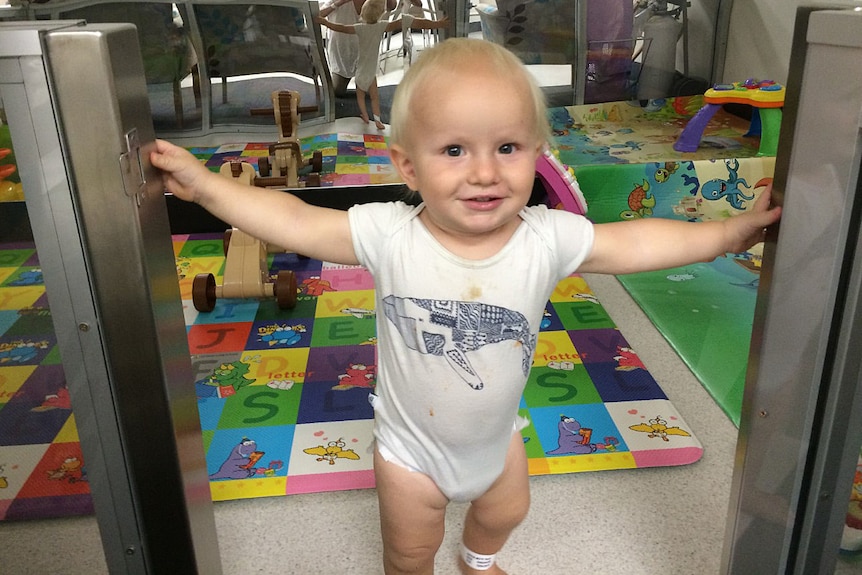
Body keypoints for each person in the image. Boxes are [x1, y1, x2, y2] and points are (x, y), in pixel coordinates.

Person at [151, 38, 781, 575]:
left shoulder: (546, 236)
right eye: (454, 151)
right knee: (408, 549)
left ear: (537, 155)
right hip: (411, 453)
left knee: (507, 512)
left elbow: (637, 239)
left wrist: (726, 235)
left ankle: (477, 562)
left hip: (497, 438)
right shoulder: (388, 232)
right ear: (408, 167)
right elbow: (293, 219)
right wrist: (207, 186)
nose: (484, 172)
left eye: (507, 148)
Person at [316, 0, 448, 129]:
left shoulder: (370, 20)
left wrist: (437, 24)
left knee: (366, 93)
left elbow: (400, 13)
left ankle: (365, 114)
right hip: (344, 54)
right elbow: (318, 16)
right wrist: (338, 4)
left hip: (364, 67)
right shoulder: (375, 25)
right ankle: (374, 117)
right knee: (339, 92)